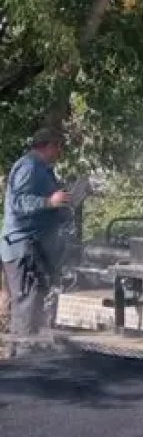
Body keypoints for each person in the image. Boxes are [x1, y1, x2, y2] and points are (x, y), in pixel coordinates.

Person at [2, 129, 71, 357]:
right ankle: (23, 360)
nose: (59, 152)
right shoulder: (29, 167)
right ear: (48, 145)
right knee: (27, 302)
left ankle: (22, 353)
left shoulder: (42, 169)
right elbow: (19, 202)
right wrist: (49, 201)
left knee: (31, 301)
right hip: (23, 246)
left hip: (33, 247)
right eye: (58, 147)